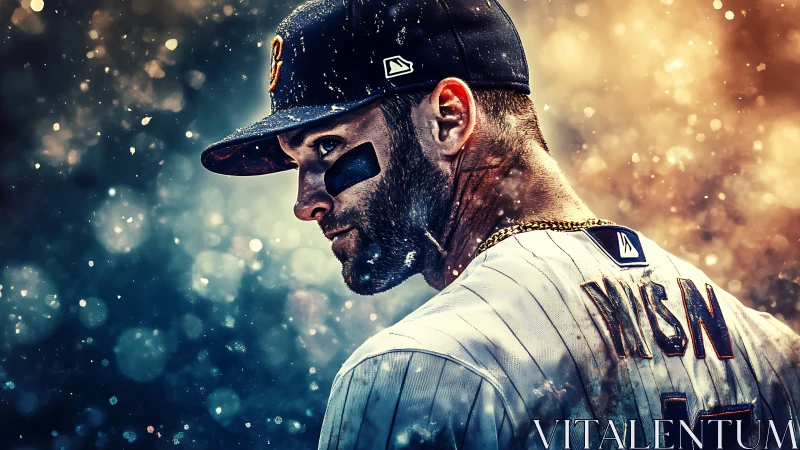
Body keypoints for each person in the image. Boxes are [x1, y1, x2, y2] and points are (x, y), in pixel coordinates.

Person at [200, 0, 800, 447]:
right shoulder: (770, 352)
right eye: (296, 165)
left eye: (327, 150)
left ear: (450, 117)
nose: (305, 203)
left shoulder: (415, 369)